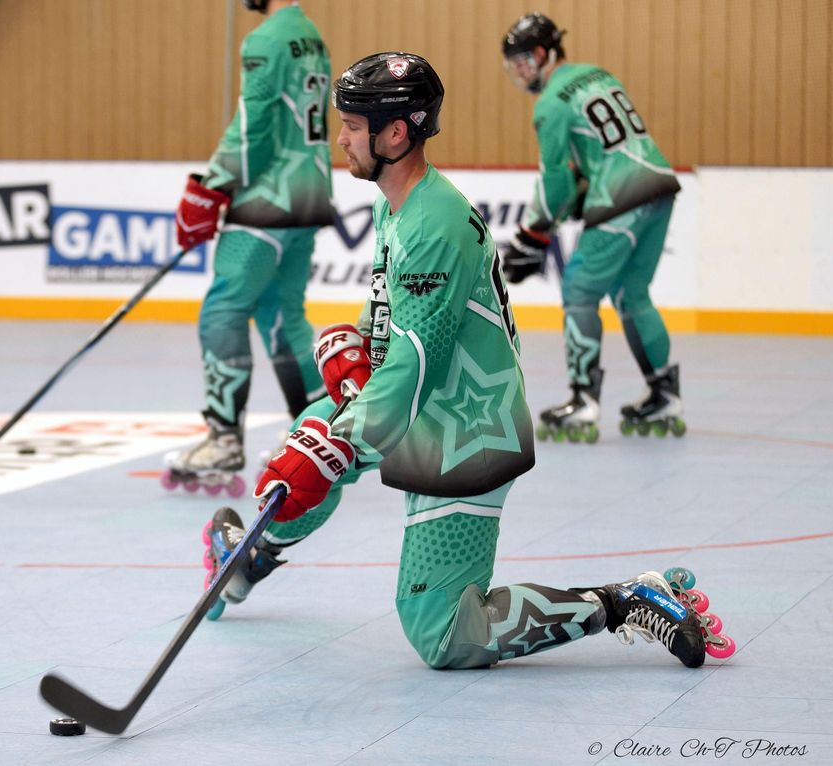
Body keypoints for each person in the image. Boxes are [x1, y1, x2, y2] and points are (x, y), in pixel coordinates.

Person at [199, 52, 732, 669]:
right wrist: (355, 348)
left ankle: (623, 601)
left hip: (466, 432)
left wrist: (338, 445)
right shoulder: (398, 203)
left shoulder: (433, 223)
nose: (340, 138)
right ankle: (252, 557)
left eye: (351, 125)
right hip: (432, 407)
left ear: (395, 134)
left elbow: (414, 368)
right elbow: (394, 321)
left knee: (444, 634)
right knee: (312, 433)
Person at [165, 0, 334, 494]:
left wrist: (211, 185)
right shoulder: (311, 36)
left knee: (223, 309)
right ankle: (317, 429)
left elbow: (253, 125)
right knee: (283, 315)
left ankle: (223, 439)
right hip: (310, 191)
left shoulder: (264, 39)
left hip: (268, 198)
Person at [498, 12, 686, 443]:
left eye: (523, 61)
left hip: (620, 195)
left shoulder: (549, 103)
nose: (520, 72)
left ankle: (583, 401)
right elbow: (604, 151)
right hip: (660, 185)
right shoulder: (600, 75)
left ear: (543, 53)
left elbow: (557, 182)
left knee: (580, 290)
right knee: (633, 293)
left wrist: (534, 232)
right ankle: (664, 394)